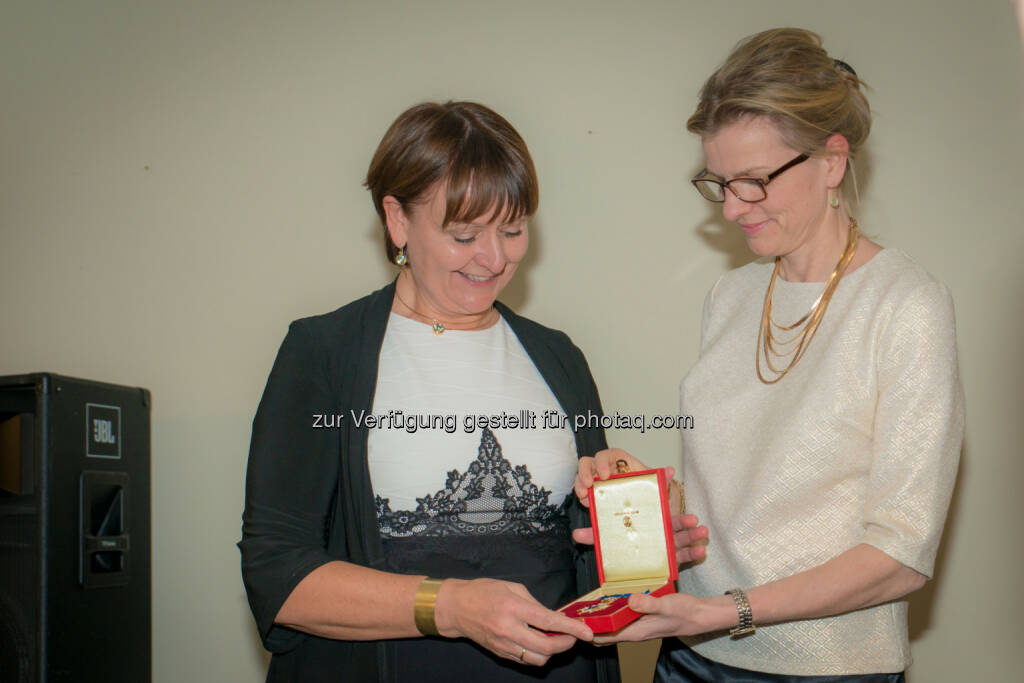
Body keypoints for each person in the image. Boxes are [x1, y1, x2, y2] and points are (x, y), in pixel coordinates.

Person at [574, 28, 964, 681]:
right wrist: (651, 497)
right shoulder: (732, 294)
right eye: (719, 182)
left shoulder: (906, 306)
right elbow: (750, 495)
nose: (731, 207)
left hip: (826, 670)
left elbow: (902, 553)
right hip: (690, 650)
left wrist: (728, 610)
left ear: (831, 161)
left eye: (753, 182)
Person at [237, 100, 632, 683]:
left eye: (514, 229)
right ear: (397, 220)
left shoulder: (558, 357)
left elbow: (593, 560)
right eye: (464, 234)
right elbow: (280, 577)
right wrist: (451, 608)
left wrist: (640, 521)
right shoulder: (323, 353)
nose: (495, 259)